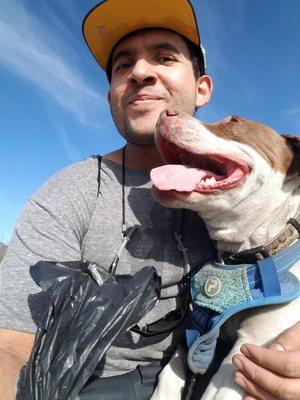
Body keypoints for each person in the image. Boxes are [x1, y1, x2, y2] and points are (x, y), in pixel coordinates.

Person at [0, 1, 299, 399]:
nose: (140, 72)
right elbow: (11, 341)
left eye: (163, 57)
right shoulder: (67, 196)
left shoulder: (249, 200)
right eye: (123, 66)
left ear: (202, 87)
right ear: (111, 97)